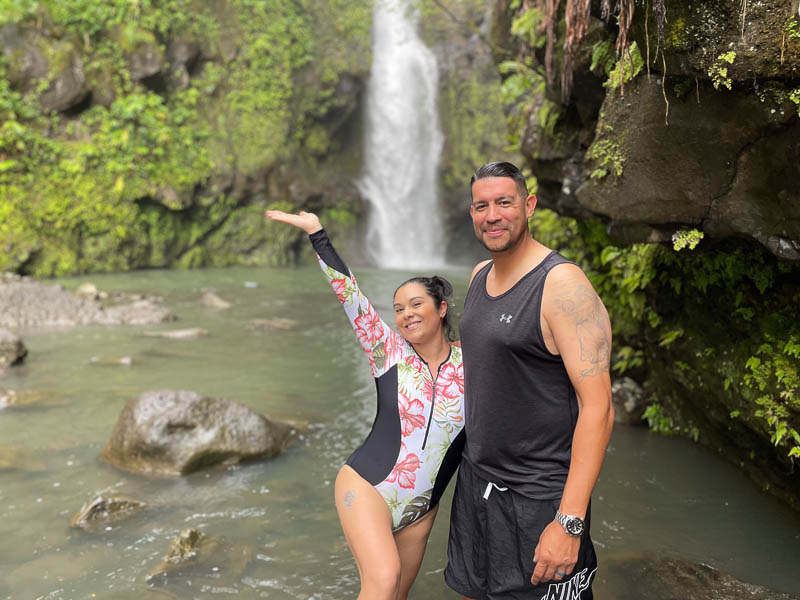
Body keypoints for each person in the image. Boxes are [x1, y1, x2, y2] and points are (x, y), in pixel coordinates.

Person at [265, 209, 465, 600]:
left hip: (421, 510)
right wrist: (316, 233)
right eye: (399, 308)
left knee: (395, 594)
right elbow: (348, 293)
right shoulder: (387, 350)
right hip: (367, 485)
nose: (405, 314)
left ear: (441, 308)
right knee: (383, 579)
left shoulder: (474, 361)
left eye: (416, 304)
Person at [444, 161, 614, 599]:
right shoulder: (480, 275)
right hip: (476, 482)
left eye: (504, 202)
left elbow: (599, 408)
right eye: (482, 206)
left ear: (529, 205)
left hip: (539, 497)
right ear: (472, 214)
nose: (493, 215)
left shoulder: (563, 286)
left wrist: (569, 521)